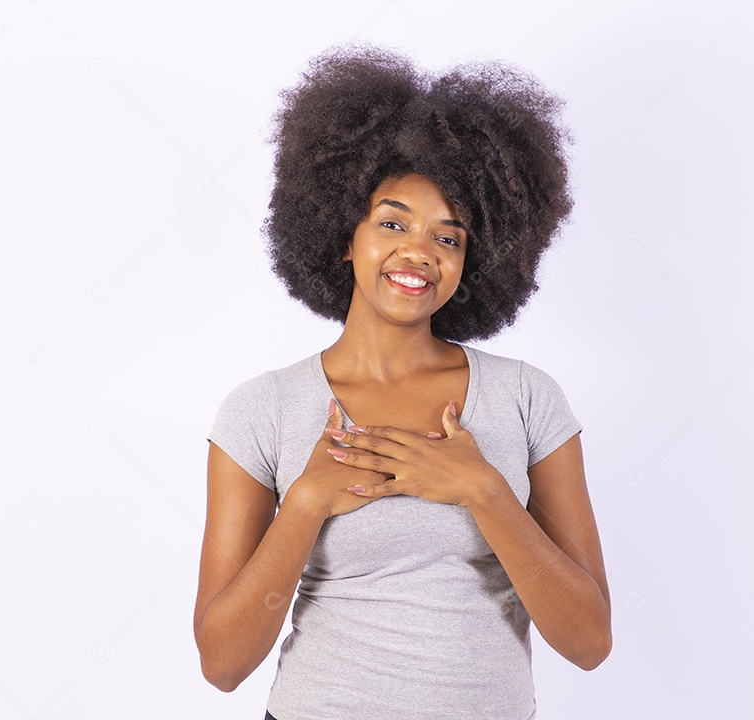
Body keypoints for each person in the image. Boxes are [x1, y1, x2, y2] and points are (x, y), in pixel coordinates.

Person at [193, 44, 611, 720]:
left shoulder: (527, 399)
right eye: (392, 223)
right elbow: (222, 664)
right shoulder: (262, 410)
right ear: (343, 235)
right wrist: (304, 504)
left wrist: (482, 490)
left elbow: (589, 640)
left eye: (449, 237)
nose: (419, 251)